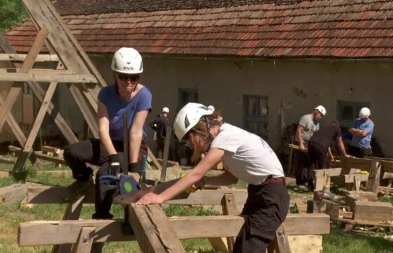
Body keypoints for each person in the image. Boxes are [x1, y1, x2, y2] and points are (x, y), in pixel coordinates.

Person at [136, 102, 289, 253]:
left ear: (199, 130)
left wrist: (160, 197)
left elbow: (196, 173)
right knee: (242, 246)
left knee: (250, 248)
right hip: (260, 191)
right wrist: (206, 181)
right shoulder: (226, 137)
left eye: (189, 139)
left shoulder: (225, 137)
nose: (190, 145)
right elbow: (231, 178)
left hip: (271, 194)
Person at [63, 47, 152, 220]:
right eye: (123, 77)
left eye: (133, 77)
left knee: (104, 173)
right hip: (111, 143)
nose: (128, 81)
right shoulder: (105, 94)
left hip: (134, 147)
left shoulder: (144, 95)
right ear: (115, 75)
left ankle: (102, 217)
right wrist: (113, 157)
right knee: (72, 152)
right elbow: (103, 128)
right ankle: (83, 180)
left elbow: (135, 131)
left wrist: (133, 167)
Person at [307, 121, 350, 190]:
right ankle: (320, 186)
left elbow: (327, 144)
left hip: (311, 143)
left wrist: (330, 155)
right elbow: (340, 142)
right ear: (337, 126)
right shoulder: (337, 129)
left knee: (312, 163)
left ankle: (310, 184)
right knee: (323, 166)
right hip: (321, 146)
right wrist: (345, 154)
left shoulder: (324, 126)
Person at [295, 105, 326, 190]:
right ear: (316, 112)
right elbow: (299, 130)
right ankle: (299, 183)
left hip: (310, 144)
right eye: (321, 115)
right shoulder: (306, 118)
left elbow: (316, 135)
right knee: (301, 163)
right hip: (302, 142)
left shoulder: (317, 123)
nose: (321, 117)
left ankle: (306, 181)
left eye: (322, 116)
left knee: (309, 163)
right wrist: (301, 144)